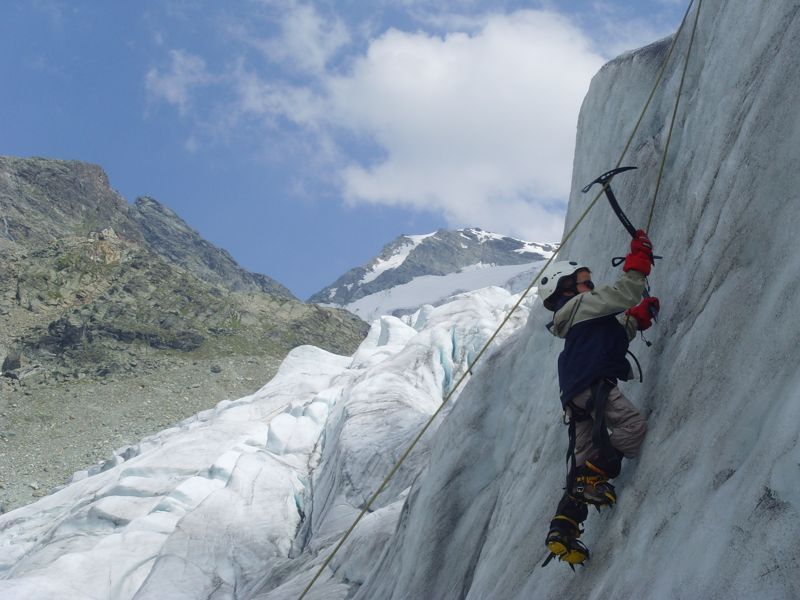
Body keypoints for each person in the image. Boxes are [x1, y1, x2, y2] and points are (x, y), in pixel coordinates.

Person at [538, 229, 660, 568]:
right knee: (632, 428)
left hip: (575, 397)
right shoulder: (581, 305)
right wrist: (639, 259)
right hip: (594, 387)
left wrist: (636, 320)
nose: (590, 285)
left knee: (580, 459)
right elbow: (624, 292)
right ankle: (592, 479)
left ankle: (563, 528)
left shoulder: (581, 319)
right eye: (584, 280)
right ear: (566, 289)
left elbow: (612, 336)